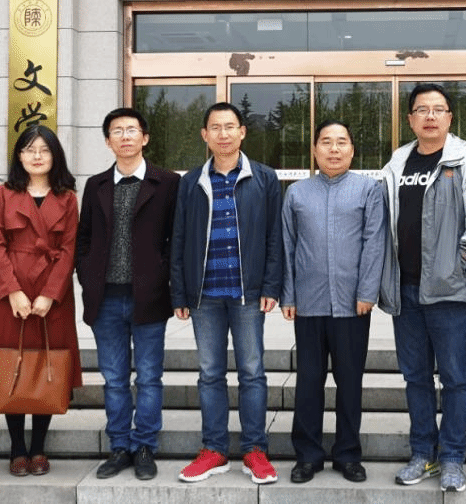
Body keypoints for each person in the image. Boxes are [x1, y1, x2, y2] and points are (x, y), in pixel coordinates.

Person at [378, 83, 466, 493]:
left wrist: (454, 267)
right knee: (415, 378)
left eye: (438, 109)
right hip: (406, 291)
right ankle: (422, 454)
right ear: (410, 119)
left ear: (449, 118)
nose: (430, 116)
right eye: (422, 110)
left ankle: (452, 458)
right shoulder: (397, 162)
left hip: (449, 293)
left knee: (455, 378)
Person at [171, 102, 283, 484]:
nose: (223, 134)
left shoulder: (264, 178)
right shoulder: (191, 182)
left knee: (252, 372)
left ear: (242, 132)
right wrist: (179, 293)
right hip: (204, 296)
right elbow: (179, 239)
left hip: (247, 294)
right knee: (209, 374)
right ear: (205, 135)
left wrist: (271, 285)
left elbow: (274, 237)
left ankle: (255, 450)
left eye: (230, 126)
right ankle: (215, 449)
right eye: (215, 127)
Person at [76, 108, 180, 481]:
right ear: (108, 141)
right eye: (117, 131)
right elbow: (84, 237)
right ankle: (120, 445)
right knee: (114, 378)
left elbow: (175, 237)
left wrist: (164, 277)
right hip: (105, 298)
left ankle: (145, 445)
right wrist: (87, 276)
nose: (125, 136)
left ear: (144, 138)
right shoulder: (96, 185)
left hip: (148, 296)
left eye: (131, 130)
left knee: (149, 376)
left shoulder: (167, 183)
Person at [281, 120, 386, 484]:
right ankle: (307, 456)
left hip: (352, 305)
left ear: (352, 150)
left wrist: (367, 292)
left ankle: (347, 454)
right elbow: (287, 245)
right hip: (308, 303)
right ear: (315, 149)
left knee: (350, 381)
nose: (334, 149)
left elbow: (375, 243)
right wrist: (288, 294)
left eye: (342, 142)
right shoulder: (296, 193)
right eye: (326, 142)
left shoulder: (368, 190)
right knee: (308, 381)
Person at [0, 124, 82, 477]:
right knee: (12, 364)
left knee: (47, 366)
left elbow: (69, 249)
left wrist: (50, 294)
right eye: (29, 149)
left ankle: (38, 447)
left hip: (53, 296)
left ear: (55, 156)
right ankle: (17, 448)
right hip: (10, 294)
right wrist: (13, 291)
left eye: (44, 150)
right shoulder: (4, 194)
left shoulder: (67, 198)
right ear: (19, 156)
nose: (37, 156)